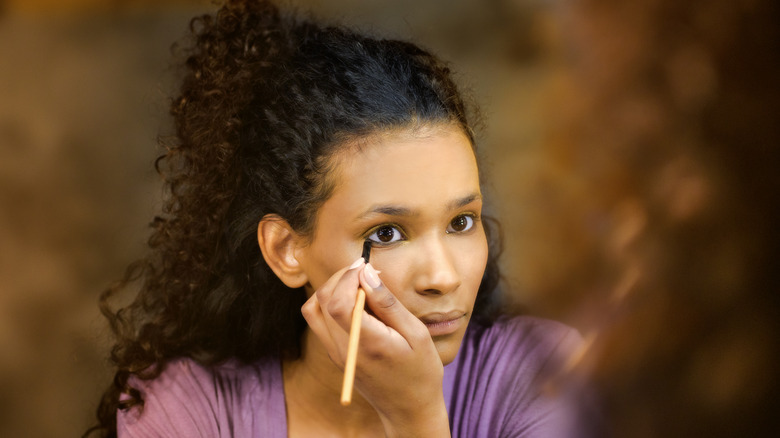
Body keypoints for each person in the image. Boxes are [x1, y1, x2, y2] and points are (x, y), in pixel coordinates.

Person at [87, 1, 581, 437]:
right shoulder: (185, 408)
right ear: (286, 250)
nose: (443, 277)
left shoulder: (546, 374)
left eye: (461, 222)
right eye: (387, 232)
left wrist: (415, 419)